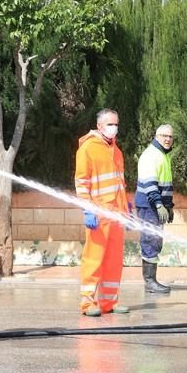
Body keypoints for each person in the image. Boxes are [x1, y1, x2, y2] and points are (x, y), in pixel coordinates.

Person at [74, 109, 130, 317]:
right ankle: (88, 304)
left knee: (114, 260)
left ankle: (109, 302)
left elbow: (119, 182)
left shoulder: (116, 151)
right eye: (110, 124)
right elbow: (81, 183)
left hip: (116, 215)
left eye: (116, 124)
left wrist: (126, 206)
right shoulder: (87, 149)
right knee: (94, 258)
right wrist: (88, 210)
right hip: (99, 214)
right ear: (99, 126)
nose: (114, 128)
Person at [135, 124, 174, 293]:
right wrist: (159, 204)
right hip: (149, 206)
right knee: (150, 240)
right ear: (156, 136)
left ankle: (151, 281)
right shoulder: (150, 155)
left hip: (156, 206)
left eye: (170, 137)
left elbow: (164, 185)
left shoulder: (163, 155)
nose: (167, 139)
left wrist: (168, 206)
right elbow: (150, 185)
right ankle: (150, 282)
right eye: (164, 136)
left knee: (155, 240)